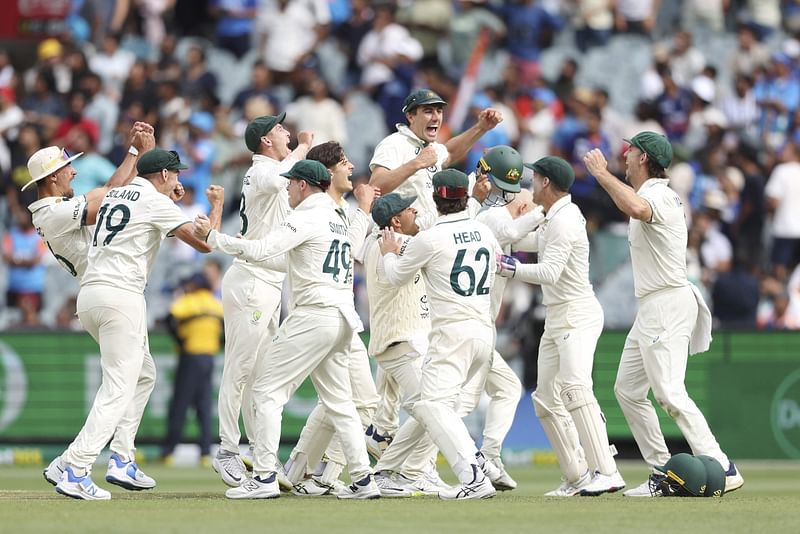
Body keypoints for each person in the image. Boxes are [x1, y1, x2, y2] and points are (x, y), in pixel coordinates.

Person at [194, 160, 379, 500]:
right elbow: (286, 260)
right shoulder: (337, 218)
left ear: (304, 185)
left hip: (315, 316)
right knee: (340, 403)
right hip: (343, 319)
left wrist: (216, 239)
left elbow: (265, 248)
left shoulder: (306, 216)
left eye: (291, 183)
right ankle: (364, 479)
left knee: (265, 392)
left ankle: (264, 476)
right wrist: (244, 251)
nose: (288, 189)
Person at [50, 148, 224, 500]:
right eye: (175, 175)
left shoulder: (119, 194)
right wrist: (217, 206)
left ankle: (120, 458)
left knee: (144, 375)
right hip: (121, 297)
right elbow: (204, 244)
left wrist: (166, 196)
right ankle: (77, 468)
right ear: (162, 175)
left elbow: (147, 210)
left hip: (91, 295)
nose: (179, 181)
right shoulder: (156, 203)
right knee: (118, 388)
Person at [583, 132, 744, 496]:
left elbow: (638, 209)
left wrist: (601, 174)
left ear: (643, 159)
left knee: (669, 392)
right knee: (627, 390)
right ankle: (662, 470)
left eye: (631, 151)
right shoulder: (649, 193)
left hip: (668, 303)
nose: (624, 155)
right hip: (652, 306)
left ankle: (721, 464)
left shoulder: (659, 195)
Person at [496, 156, 625, 496]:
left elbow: (550, 271)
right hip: (557, 316)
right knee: (546, 399)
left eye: (534, 178)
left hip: (577, 314)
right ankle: (578, 475)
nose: (530, 184)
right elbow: (529, 243)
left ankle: (607, 471)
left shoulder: (566, 219)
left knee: (575, 388)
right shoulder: (554, 216)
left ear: (546, 183)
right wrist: (494, 236)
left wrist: (509, 268)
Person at [378, 168, 503, 500]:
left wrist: (389, 252)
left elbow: (394, 277)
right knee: (434, 408)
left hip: (451, 335)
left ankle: (472, 474)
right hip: (484, 333)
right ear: (465, 196)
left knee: (432, 406)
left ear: (436, 197)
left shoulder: (429, 238)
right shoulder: (484, 232)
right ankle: (387, 471)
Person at [281, 141, 387, 496]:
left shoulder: (336, 208)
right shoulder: (318, 210)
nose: (351, 166)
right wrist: (366, 210)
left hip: (341, 316)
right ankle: (319, 473)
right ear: (327, 173)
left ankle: (301, 470)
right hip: (319, 313)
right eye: (344, 162)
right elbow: (355, 250)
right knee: (354, 402)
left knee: (343, 400)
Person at [213, 113, 312, 489]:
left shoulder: (273, 171)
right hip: (251, 280)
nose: (287, 132)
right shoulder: (261, 171)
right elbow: (280, 175)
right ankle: (226, 449)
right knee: (238, 368)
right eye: (280, 130)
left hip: (270, 282)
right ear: (266, 142)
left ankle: (258, 452)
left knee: (261, 374)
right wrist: (303, 144)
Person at [26, 122, 154, 281]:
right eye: (67, 167)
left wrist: (136, 149)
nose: (74, 172)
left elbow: (110, 188)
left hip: (101, 283)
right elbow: (116, 199)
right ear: (53, 176)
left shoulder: (54, 208)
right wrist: (143, 155)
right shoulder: (54, 212)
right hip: (105, 284)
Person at [368, 88, 502, 230]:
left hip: (430, 233)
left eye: (439, 111)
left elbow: (450, 152)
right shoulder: (394, 143)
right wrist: (416, 163)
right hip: (402, 237)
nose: (436, 117)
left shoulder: (431, 146)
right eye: (428, 111)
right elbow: (374, 187)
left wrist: (481, 128)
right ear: (410, 116)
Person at [162, 273, 224, 465]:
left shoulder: (188, 301)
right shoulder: (215, 303)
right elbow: (226, 326)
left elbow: (169, 318)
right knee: (204, 406)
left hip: (190, 356)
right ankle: (205, 452)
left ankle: (169, 452)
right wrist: (219, 342)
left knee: (180, 405)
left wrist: (180, 339)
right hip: (209, 358)